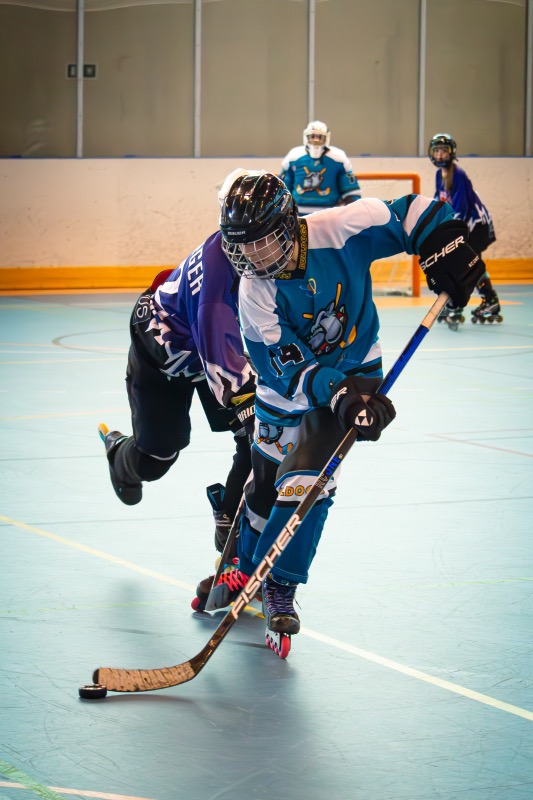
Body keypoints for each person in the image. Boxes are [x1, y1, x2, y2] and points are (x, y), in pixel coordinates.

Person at [196, 170, 484, 656]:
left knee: (308, 480)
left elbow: (412, 212)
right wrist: (337, 394)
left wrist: (448, 244)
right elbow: (289, 369)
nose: (254, 258)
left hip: (356, 369)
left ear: (288, 225)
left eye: (262, 243)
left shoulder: (342, 227)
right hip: (289, 390)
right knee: (264, 489)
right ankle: (243, 564)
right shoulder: (254, 292)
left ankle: (280, 584)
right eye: (242, 248)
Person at [99, 228, 256, 552]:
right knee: (156, 459)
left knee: (256, 439)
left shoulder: (260, 253)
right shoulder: (215, 296)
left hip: (211, 346)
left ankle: (230, 524)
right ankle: (119, 455)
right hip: (162, 351)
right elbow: (224, 362)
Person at [428, 132, 502, 328]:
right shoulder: (439, 175)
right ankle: (487, 301)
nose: (440, 155)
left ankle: (468, 303)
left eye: (444, 151)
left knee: (466, 265)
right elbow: (439, 203)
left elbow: (461, 209)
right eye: (437, 151)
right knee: (467, 265)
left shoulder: (458, 175)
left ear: (451, 152)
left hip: (475, 225)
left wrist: (450, 233)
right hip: (466, 224)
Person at [279, 120, 361, 214]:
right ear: (306, 137)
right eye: (312, 136)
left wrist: (353, 212)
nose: (316, 140)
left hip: (330, 213)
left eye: (320, 137)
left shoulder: (339, 159)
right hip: (297, 213)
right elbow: (282, 188)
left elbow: (351, 190)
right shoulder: (293, 157)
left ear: (327, 138)